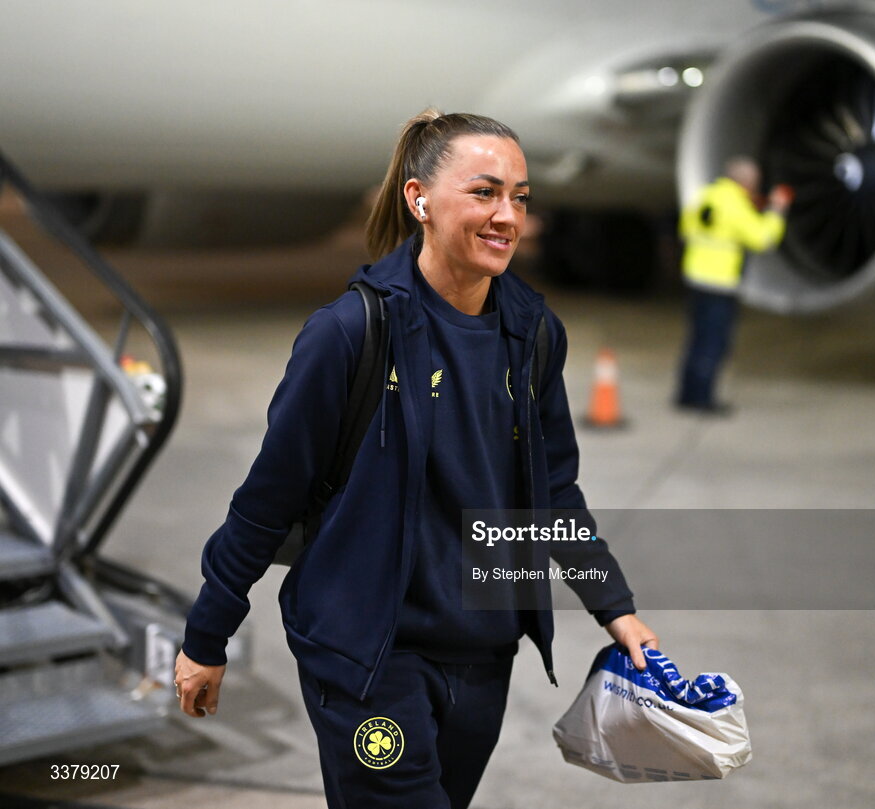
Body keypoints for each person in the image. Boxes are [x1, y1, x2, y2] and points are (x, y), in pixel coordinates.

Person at [173, 109, 659, 809]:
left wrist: (613, 605)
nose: (507, 216)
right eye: (484, 192)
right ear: (418, 199)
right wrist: (206, 634)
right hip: (370, 657)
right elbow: (268, 497)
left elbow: (553, 490)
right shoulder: (349, 333)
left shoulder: (533, 333)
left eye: (520, 197)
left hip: (484, 654)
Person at [675, 156, 792, 414]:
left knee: (696, 339)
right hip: (720, 283)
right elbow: (762, 238)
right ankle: (702, 399)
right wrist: (776, 211)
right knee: (714, 344)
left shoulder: (706, 195)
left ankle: (686, 393)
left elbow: (685, 227)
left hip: (696, 278)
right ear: (746, 180)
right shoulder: (735, 203)